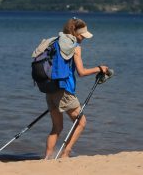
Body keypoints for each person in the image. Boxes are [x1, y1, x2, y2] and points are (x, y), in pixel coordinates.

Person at [45, 17, 108, 159]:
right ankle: (65, 153)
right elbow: (81, 72)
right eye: (82, 36)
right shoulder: (75, 47)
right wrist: (99, 68)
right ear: (75, 32)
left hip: (50, 89)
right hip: (65, 90)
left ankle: (46, 158)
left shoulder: (56, 42)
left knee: (57, 127)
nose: (83, 39)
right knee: (81, 122)